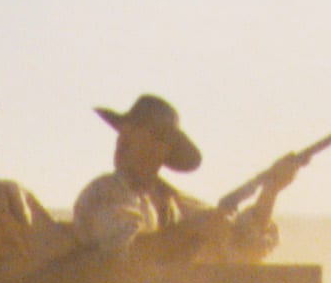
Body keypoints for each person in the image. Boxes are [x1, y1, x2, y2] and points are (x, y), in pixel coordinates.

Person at [73, 95, 278, 262]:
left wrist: (270, 191)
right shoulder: (105, 192)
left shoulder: (174, 203)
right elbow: (127, 253)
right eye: (124, 133)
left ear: (164, 151)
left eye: (150, 136)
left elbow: (244, 245)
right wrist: (194, 230)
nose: (122, 141)